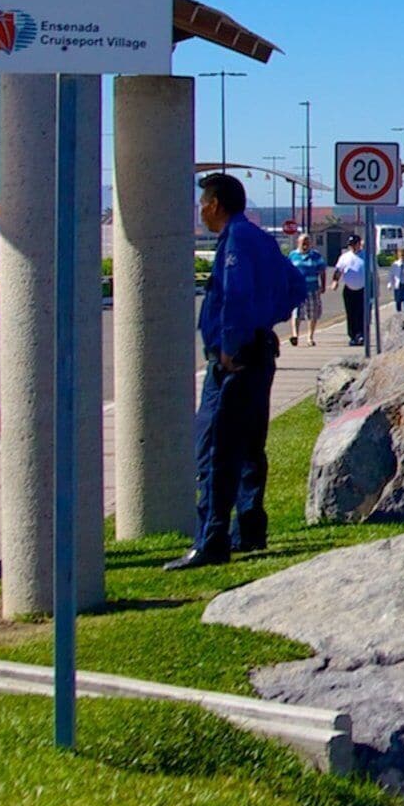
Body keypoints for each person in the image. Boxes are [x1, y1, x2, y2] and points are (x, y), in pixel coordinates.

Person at [172, 171, 298, 571]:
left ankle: (211, 538)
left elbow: (234, 295)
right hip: (258, 352)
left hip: (237, 359)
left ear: (214, 204)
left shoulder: (236, 241)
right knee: (247, 448)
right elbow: (295, 285)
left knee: (215, 448)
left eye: (202, 205)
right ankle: (249, 529)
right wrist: (267, 322)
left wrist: (229, 347)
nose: (201, 213)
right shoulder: (259, 237)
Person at [335, 230, 370, 345]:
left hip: (363, 289)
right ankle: (353, 336)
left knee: (362, 313)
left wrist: (375, 290)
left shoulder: (366, 256)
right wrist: (335, 281)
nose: (353, 247)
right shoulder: (345, 257)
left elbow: (373, 273)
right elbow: (338, 270)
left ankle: (361, 334)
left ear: (359, 244)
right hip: (349, 289)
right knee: (350, 313)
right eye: (351, 245)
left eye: (355, 244)